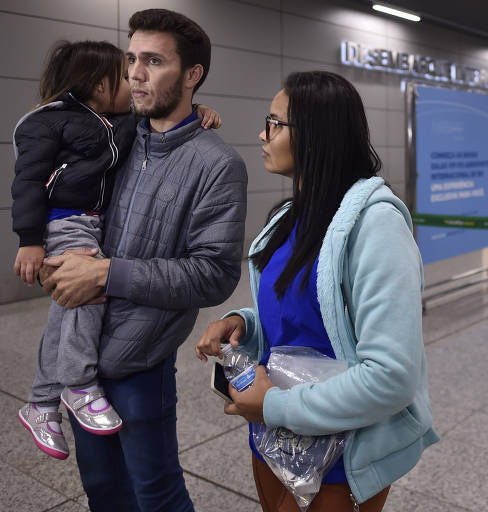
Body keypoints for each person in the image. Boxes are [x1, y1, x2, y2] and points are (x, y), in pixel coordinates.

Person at [195, 71, 438, 512]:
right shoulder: (292, 215)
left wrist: (274, 405)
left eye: (275, 123)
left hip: (339, 459)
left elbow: (392, 376)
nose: (261, 134)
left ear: (316, 134)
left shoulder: (376, 226)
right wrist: (243, 324)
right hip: (273, 438)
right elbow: (302, 311)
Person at [40, 9, 247, 511]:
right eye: (132, 58)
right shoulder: (114, 141)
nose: (135, 72)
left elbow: (214, 274)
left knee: (156, 495)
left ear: (192, 74)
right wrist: (57, 261)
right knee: (103, 489)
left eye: (153, 61)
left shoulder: (218, 165)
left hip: (138, 361)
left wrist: (105, 273)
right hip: (78, 357)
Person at [13, 40, 222, 462]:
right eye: (124, 74)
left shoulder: (115, 121)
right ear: (96, 84)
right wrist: (29, 240)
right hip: (66, 220)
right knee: (86, 293)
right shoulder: (51, 122)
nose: (133, 81)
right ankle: (77, 384)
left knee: (66, 305)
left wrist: (198, 113)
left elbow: (158, 119)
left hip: (93, 221)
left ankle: (41, 401)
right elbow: (28, 182)